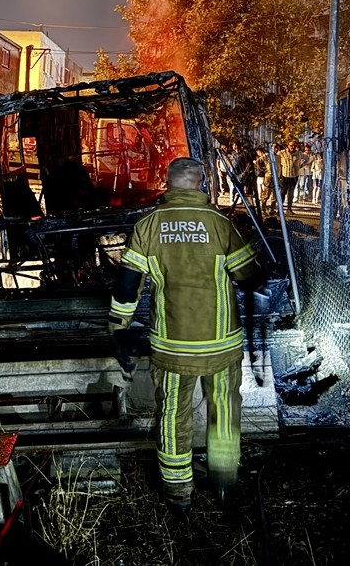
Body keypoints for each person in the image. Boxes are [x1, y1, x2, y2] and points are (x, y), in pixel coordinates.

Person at [108, 157, 263, 515]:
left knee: (173, 416)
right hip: (222, 346)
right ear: (200, 184)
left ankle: (178, 492)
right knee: (223, 410)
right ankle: (224, 484)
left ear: (168, 182)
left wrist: (118, 327)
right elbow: (248, 277)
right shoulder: (222, 224)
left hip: (172, 347)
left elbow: (128, 284)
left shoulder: (148, 226)